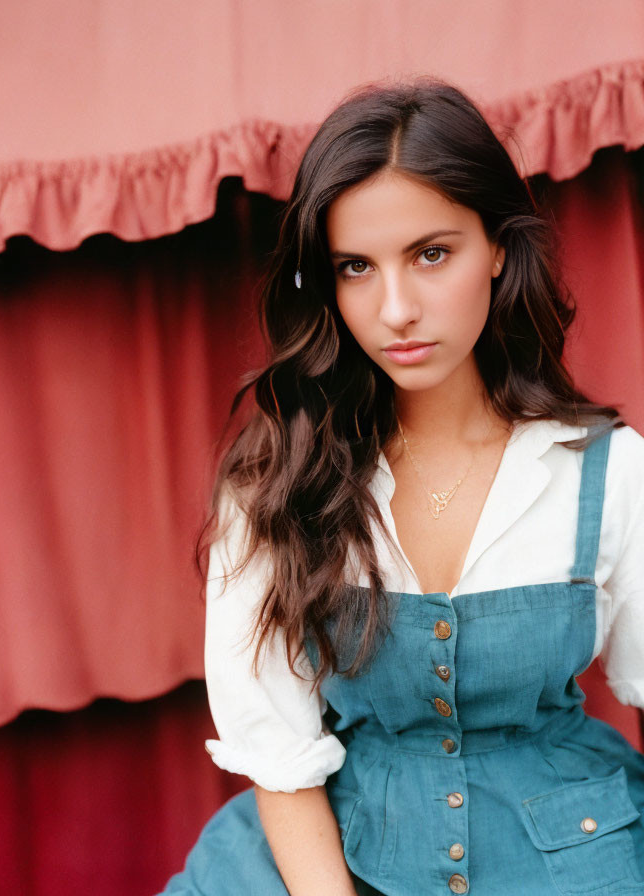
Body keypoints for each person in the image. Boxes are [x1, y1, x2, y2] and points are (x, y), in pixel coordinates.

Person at [157, 78, 644, 895]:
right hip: (328, 860)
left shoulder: (610, 470)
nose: (395, 309)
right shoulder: (274, 482)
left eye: (431, 254)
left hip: (573, 853)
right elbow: (277, 750)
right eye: (356, 266)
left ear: (496, 247)